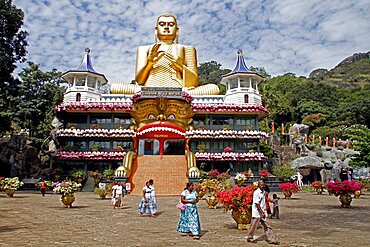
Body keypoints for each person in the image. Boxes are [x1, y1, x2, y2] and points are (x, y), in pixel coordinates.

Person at [110, 13, 219, 95]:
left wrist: (180, 66)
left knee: (213, 88)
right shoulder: (144, 49)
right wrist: (149, 63)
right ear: (156, 30)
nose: (166, 27)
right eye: (162, 24)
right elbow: (140, 80)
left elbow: (194, 83)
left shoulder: (187, 49)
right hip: (148, 89)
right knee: (115, 87)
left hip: (179, 89)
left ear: (177, 31)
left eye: (171, 25)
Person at [247, 180, 278, 244]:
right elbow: (257, 203)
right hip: (257, 212)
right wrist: (262, 212)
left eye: (263, 185)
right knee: (253, 225)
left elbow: (263, 202)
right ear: (258, 185)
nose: (262, 186)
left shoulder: (263, 192)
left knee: (266, 226)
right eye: (261, 185)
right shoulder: (256, 192)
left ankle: (272, 239)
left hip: (262, 212)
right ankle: (250, 237)